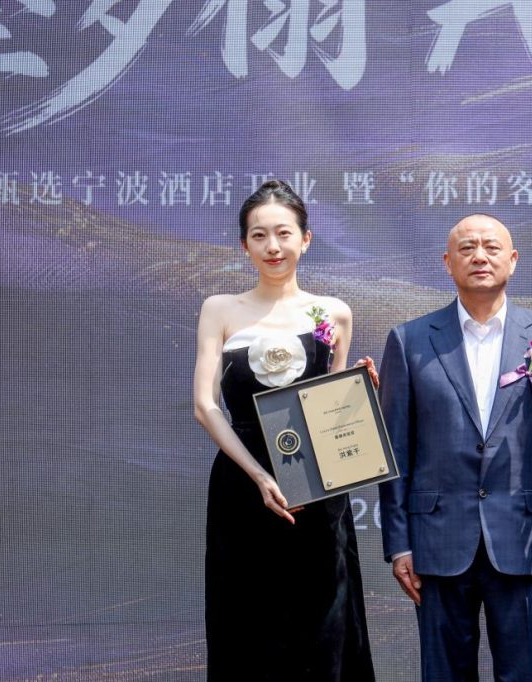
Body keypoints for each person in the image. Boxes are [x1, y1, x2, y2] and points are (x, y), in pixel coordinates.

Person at [378, 213, 532, 682]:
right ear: (447, 262)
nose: (480, 256)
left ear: (512, 260)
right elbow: (394, 452)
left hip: (526, 541)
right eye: (467, 248)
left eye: (492, 247)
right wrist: (398, 544)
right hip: (436, 543)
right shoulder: (410, 340)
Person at [193, 180, 375, 681]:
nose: (273, 246)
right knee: (247, 624)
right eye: (259, 236)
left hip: (317, 491)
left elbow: (333, 411)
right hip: (243, 486)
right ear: (244, 245)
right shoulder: (220, 309)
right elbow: (206, 406)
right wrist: (258, 476)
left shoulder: (332, 313)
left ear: (306, 239)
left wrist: (359, 394)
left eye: (284, 233)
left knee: (323, 625)